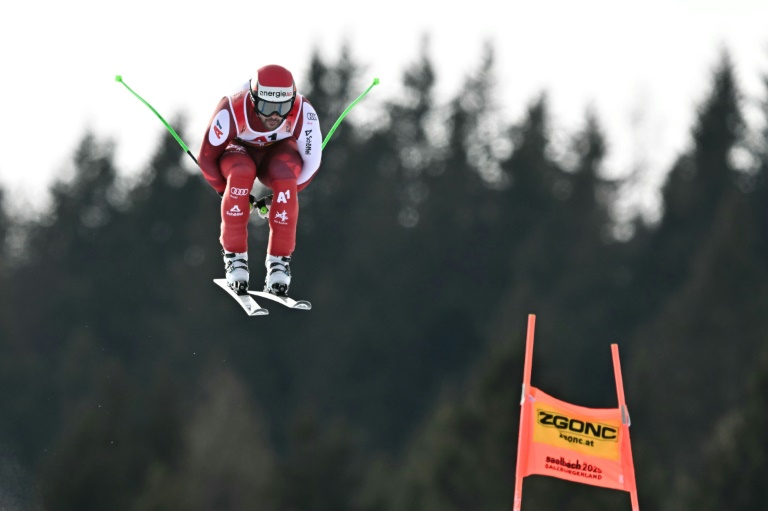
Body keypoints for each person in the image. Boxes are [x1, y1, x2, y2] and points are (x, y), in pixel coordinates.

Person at [197, 64, 322, 296]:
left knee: (286, 180)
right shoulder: (232, 107)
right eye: (266, 107)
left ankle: (279, 264)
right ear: (254, 100)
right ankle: (235, 259)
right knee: (241, 174)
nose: (274, 116)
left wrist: (280, 198)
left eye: (283, 108)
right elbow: (206, 157)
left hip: (277, 154)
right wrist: (224, 190)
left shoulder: (304, 112)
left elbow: (311, 164)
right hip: (239, 151)